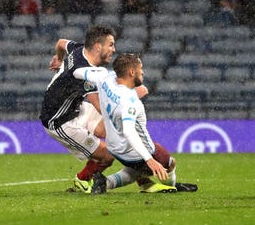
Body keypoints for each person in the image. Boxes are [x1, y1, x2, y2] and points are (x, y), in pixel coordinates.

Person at [72, 53, 198, 194]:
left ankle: (105, 183)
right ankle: (172, 185)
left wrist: (64, 66)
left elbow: (77, 72)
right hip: (138, 152)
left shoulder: (105, 77)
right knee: (170, 163)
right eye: (140, 68)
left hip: (115, 149)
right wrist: (150, 159)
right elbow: (129, 131)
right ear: (132, 72)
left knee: (134, 169)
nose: (142, 72)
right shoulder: (130, 100)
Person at [39, 26, 117, 194]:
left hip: (76, 107)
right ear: (98, 47)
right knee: (108, 155)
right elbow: (100, 106)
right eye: (110, 45)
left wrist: (58, 59)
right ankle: (82, 179)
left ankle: (141, 176)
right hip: (59, 121)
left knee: (114, 136)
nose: (113, 49)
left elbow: (60, 43)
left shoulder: (79, 49)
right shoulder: (83, 74)